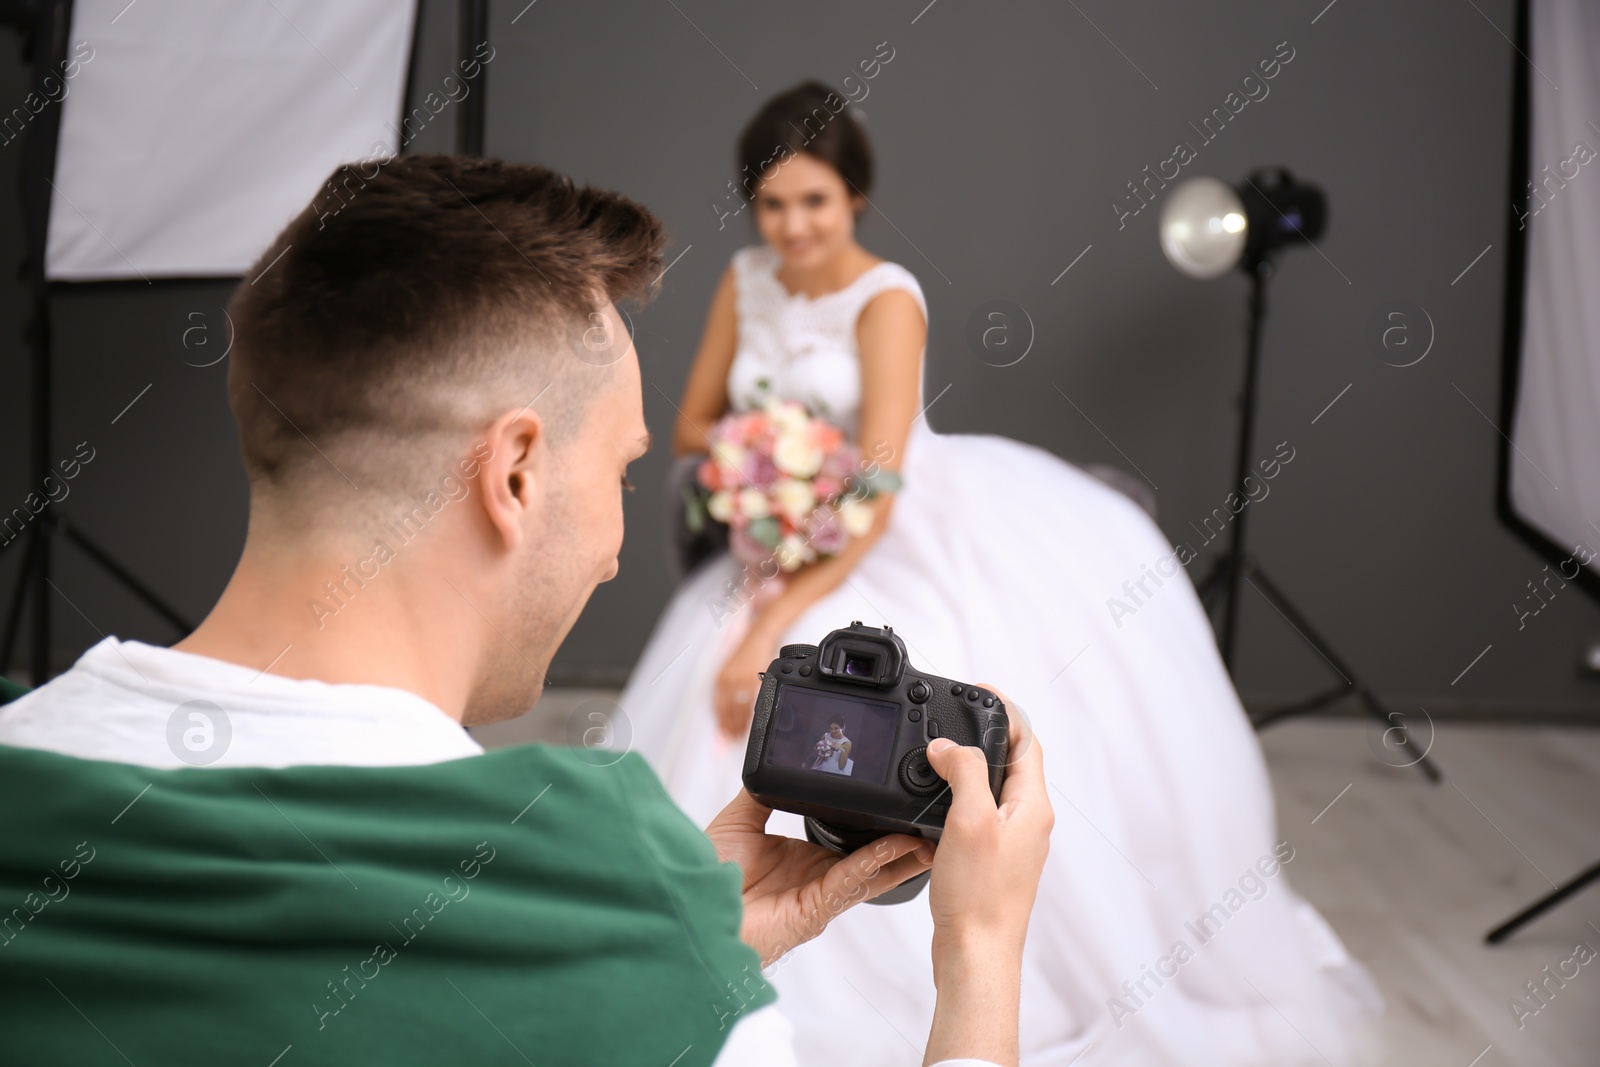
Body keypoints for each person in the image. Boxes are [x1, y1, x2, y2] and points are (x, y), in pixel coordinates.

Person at [0, 154, 1055, 1067]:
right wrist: (977, 952)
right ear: (512, 474)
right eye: (621, 474)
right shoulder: (604, 902)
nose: (611, 549)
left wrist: (676, 945)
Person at [619, 82, 1382, 1065]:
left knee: (844, 690)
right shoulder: (744, 279)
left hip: (887, 525)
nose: (792, 225)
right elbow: (692, 426)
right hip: (788, 521)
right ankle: (724, 945)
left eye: (814, 201)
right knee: (715, 706)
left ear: (854, 196)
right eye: (771, 204)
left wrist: (779, 609)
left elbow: (881, 483)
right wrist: (764, 461)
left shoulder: (887, 296)